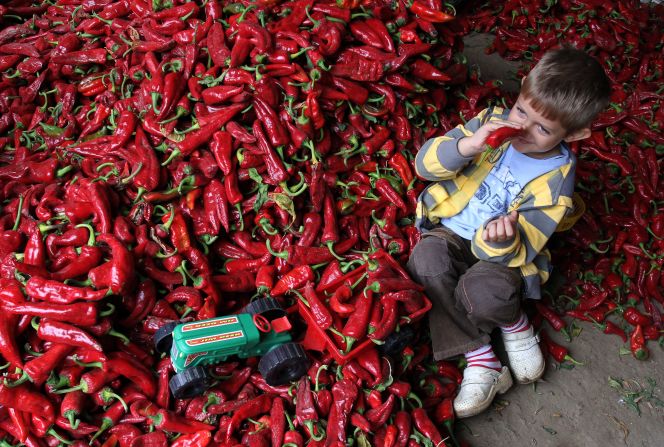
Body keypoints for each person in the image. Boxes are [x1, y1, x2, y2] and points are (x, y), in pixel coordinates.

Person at [407, 46, 611, 418]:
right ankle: (481, 358)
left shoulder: (556, 180)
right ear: (517, 95)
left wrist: (498, 241)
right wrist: (468, 145)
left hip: (503, 255)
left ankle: (513, 322)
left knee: (484, 292)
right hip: (451, 232)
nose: (522, 129)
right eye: (521, 111)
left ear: (577, 133)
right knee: (425, 260)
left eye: (543, 128)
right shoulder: (487, 123)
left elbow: (527, 248)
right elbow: (424, 165)